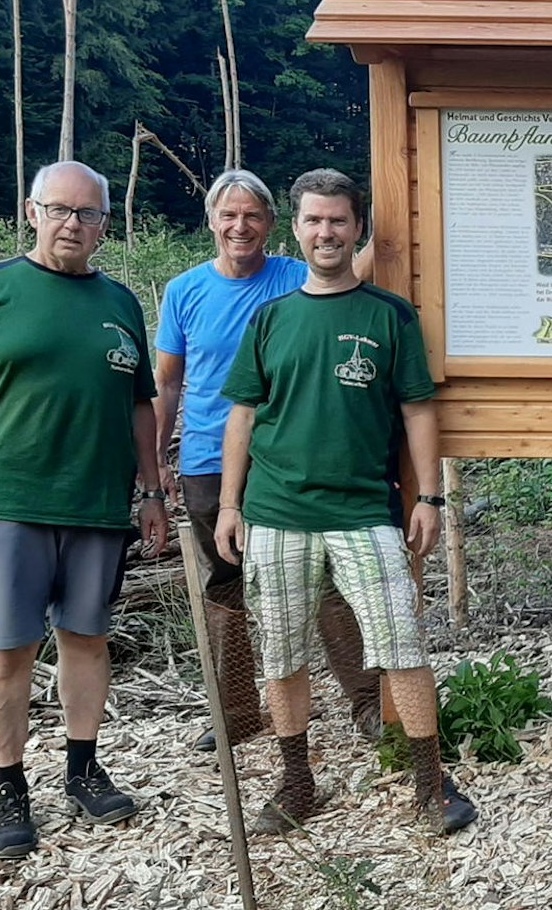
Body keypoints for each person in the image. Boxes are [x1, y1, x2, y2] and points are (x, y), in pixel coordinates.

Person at [0, 161, 167, 858]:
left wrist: (151, 492)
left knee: (86, 637)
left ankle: (82, 768)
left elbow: (140, 404)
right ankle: (8, 786)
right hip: (2, 501)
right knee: (7, 645)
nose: (73, 224)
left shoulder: (121, 302)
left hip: (97, 504)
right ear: (31, 211)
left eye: (87, 214)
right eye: (60, 210)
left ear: (106, 225)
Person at [213, 169, 477, 834]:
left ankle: (429, 782)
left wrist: (431, 500)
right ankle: (296, 781)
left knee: (403, 645)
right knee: (281, 655)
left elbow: (418, 411)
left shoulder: (389, 317)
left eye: (338, 221)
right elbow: (242, 417)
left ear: (358, 228)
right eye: (313, 220)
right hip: (276, 515)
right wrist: (228, 506)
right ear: (296, 229)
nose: (325, 232)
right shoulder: (270, 318)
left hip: (366, 511)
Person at [153, 169, 382, 752]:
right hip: (207, 457)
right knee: (227, 585)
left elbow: (361, 261)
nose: (240, 226)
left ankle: (367, 705)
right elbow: (169, 383)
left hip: (287, 455)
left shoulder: (293, 275)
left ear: (273, 225)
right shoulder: (185, 291)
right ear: (211, 223)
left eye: (252, 215)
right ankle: (237, 712)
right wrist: (155, 460)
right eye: (228, 215)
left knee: (326, 577)